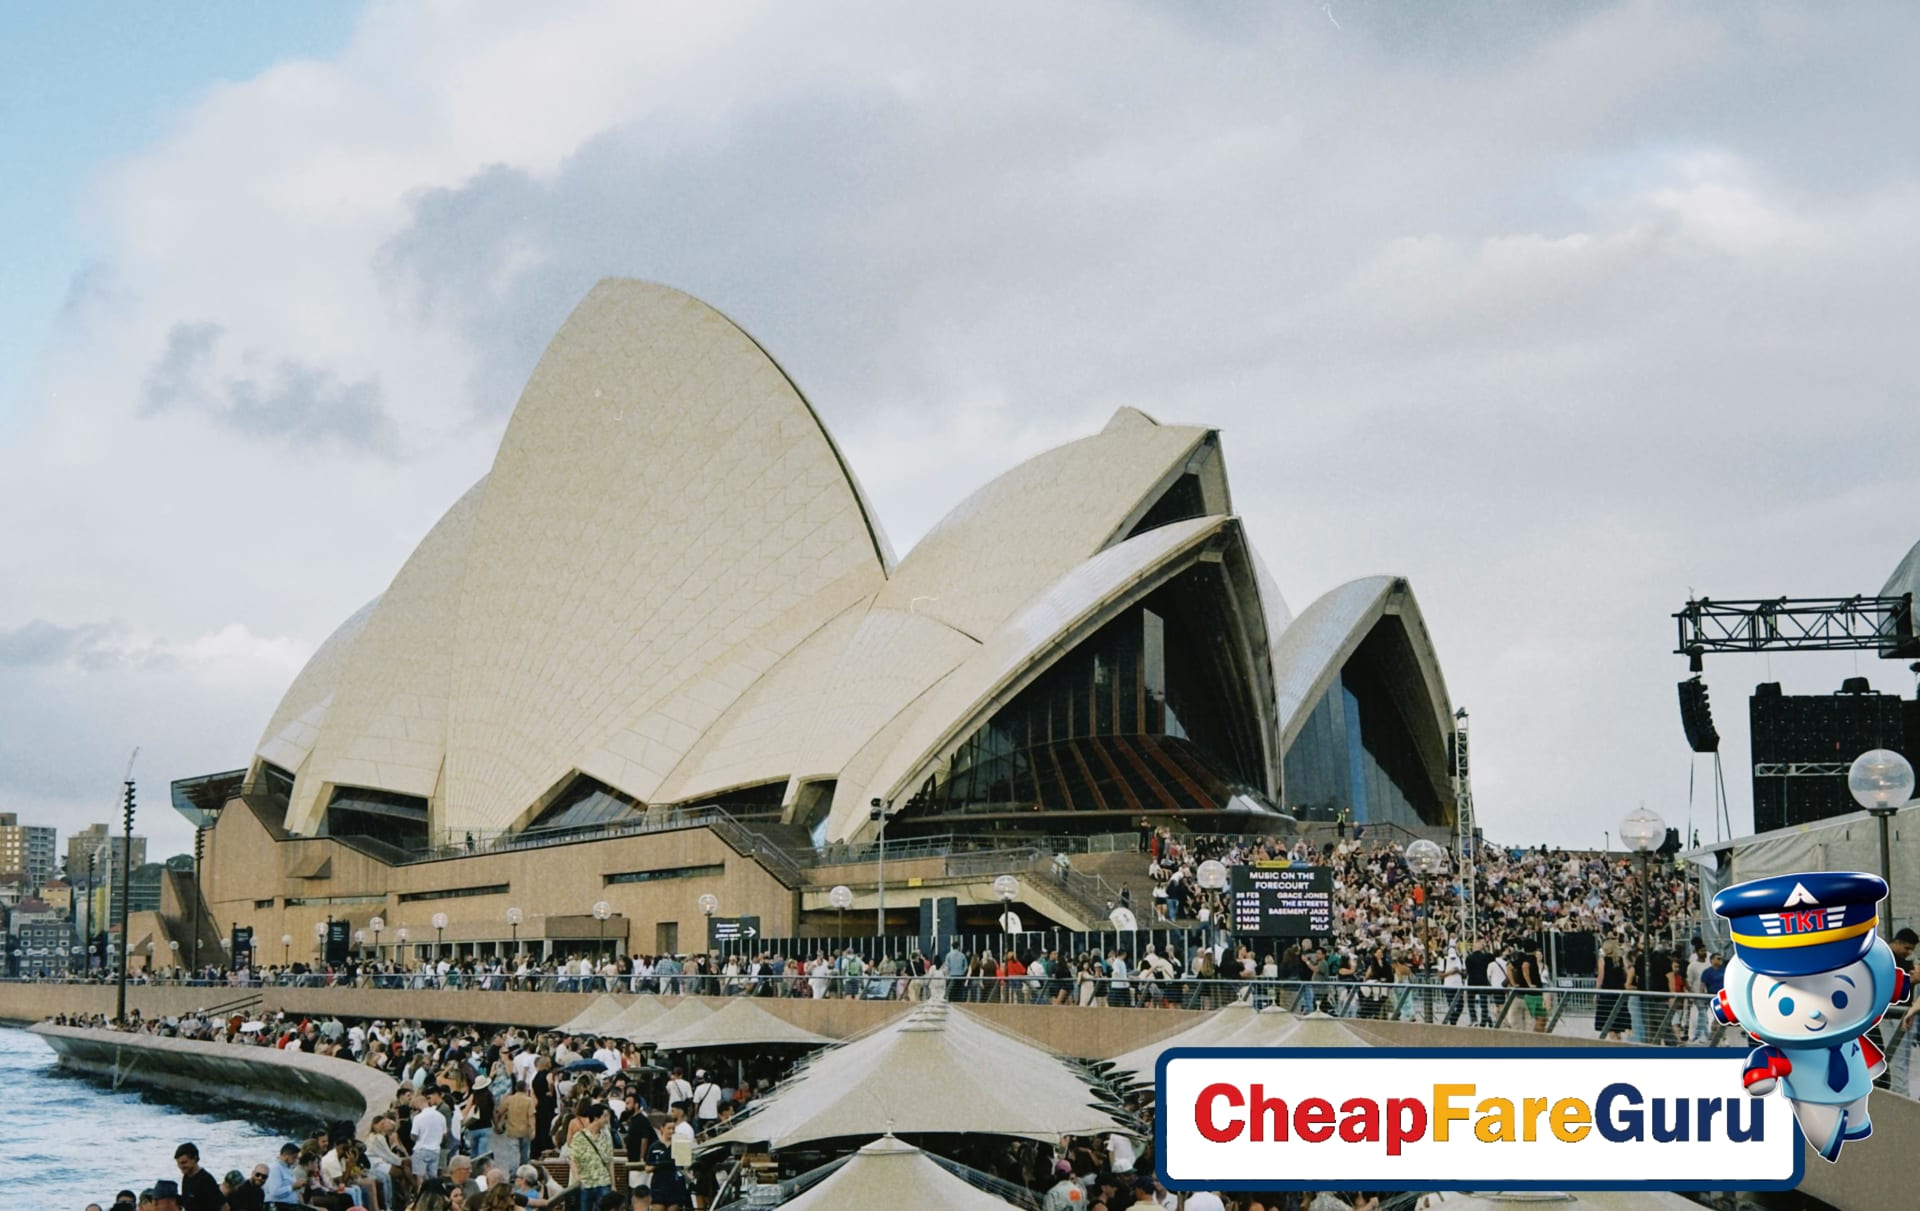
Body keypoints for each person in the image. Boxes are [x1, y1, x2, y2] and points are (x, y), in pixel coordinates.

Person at [568, 1102, 614, 1211]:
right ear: (596, 1117)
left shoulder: (606, 1137)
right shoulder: (579, 1137)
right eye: (605, 1116)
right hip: (586, 1183)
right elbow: (573, 1159)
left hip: (603, 1182)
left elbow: (610, 1161)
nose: (607, 1120)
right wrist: (577, 1179)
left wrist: (613, 1184)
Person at [172, 1143, 223, 1211]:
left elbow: (224, 1206)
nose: (181, 1167)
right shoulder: (186, 1177)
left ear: (194, 1159)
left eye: (184, 1163)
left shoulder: (206, 1180)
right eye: (178, 1164)